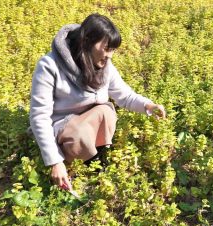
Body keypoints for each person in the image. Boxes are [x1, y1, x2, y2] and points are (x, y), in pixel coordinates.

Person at [29, 13, 166, 191]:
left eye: (113, 50)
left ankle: (94, 160)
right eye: (106, 48)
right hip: (61, 129)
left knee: (106, 112)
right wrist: (54, 161)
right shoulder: (49, 66)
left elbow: (124, 95)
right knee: (80, 131)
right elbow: (39, 117)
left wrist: (148, 106)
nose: (110, 56)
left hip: (84, 125)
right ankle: (69, 164)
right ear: (86, 41)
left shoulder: (104, 65)